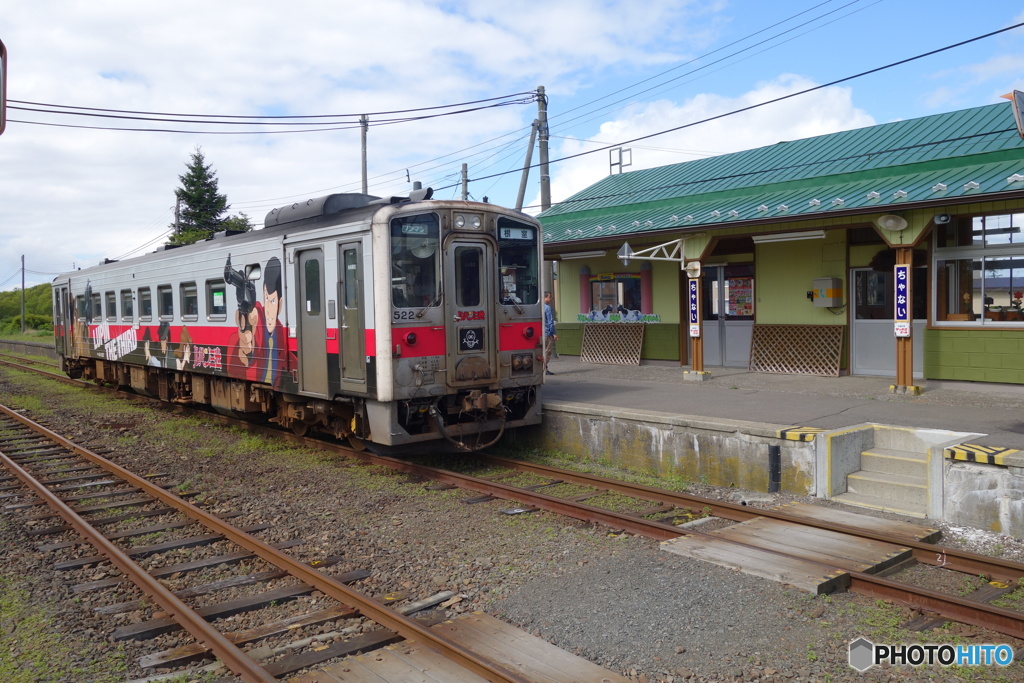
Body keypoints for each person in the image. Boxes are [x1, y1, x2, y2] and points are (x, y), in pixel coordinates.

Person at [543, 290, 557, 375]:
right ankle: (544, 369)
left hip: (541, 332)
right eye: (550, 297)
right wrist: (554, 333)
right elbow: (550, 321)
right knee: (547, 351)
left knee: (542, 351)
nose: (551, 299)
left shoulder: (539, 307)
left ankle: (544, 368)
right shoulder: (548, 308)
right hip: (547, 333)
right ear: (546, 297)